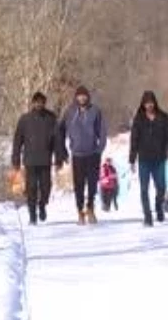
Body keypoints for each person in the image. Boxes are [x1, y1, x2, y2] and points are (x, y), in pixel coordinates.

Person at [57, 85, 107, 224]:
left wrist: (100, 148)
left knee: (92, 184)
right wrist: (63, 151)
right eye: (79, 95)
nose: (82, 98)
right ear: (76, 97)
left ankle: (90, 208)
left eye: (84, 95)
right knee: (78, 185)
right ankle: (80, 211)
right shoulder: (70, 112)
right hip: (77, 155)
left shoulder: (95, 111)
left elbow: (102, 131)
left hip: (92, 154)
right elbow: (60, 132)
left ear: (88, 97)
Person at [128, 90, 168, 226]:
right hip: (144, 159)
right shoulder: (139, 119)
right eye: (146, 103)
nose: (149, 106)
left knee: (161, 188)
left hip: (159, 159)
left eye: (151, 103)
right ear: (143, 104)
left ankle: (158, 206)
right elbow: (134, 140)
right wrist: (132, 160)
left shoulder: (163, 117)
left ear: (155, 103)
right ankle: (147, 217)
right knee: (144, 189)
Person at [11, 91, 60, 225]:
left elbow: (58, 140)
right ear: (33, 103)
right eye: (37, 102)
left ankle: (42, 204)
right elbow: (17, 140)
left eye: (42, 102)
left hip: (45, 160)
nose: (39, 104)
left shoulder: (51, 118)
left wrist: (59, 157)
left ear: (44, 103)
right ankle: (32, 215)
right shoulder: (25, 119)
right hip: (30, 161)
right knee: (31, 189)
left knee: (46, 187)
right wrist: (16, 159)